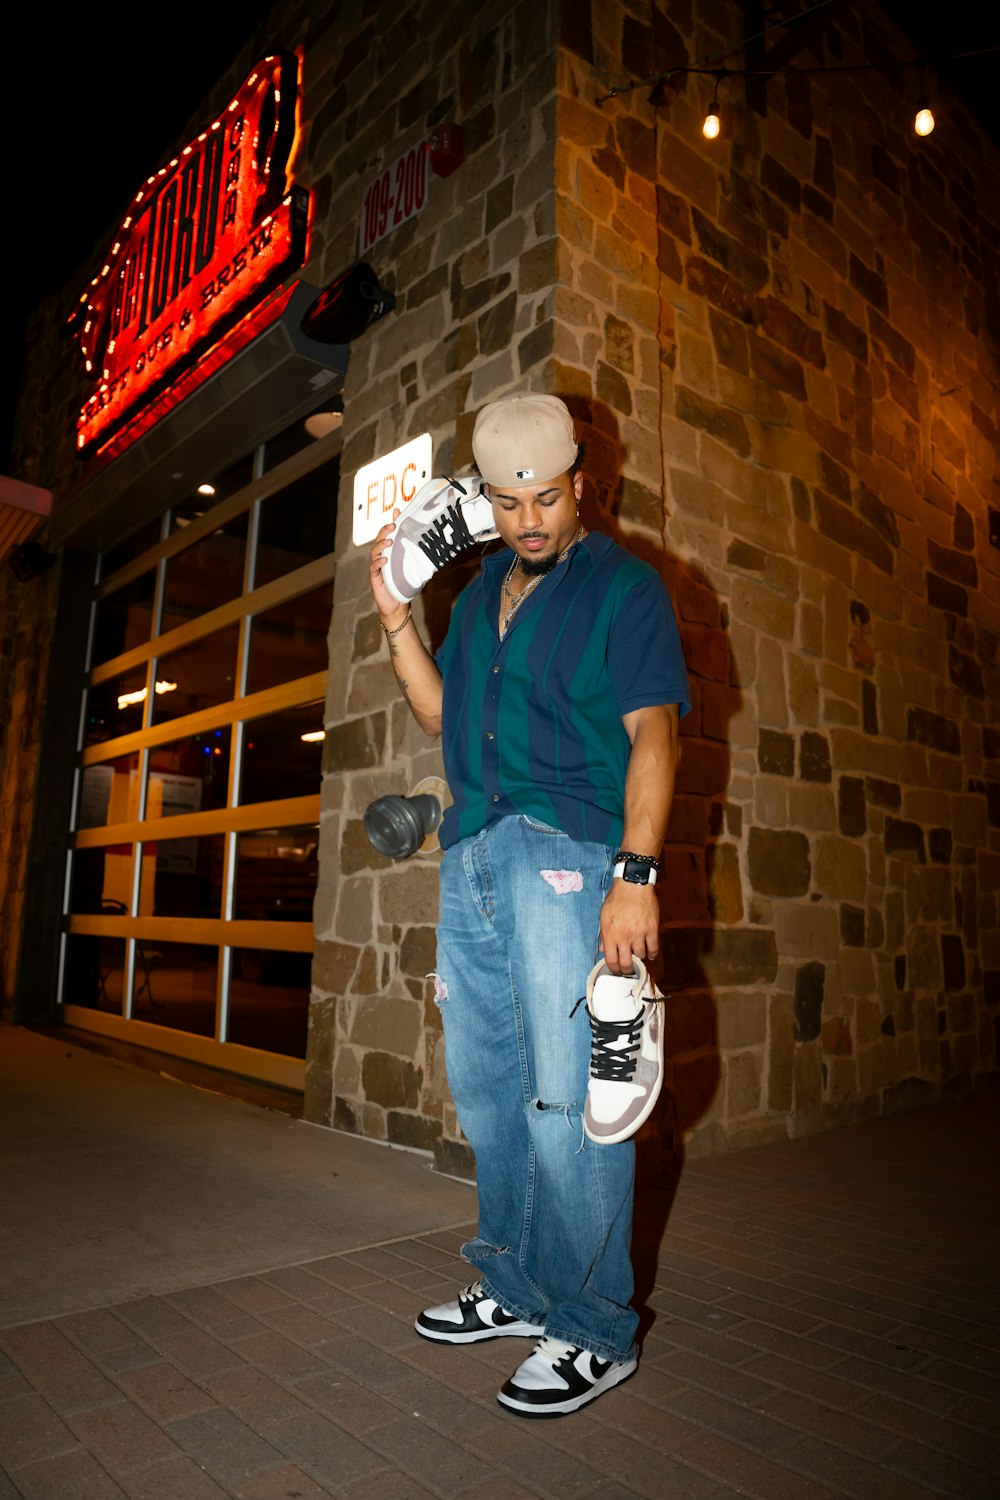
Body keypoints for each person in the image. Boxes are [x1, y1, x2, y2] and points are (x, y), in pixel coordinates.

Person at [368, 392, 690, 1417]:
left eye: (546, 498)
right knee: (493, 1095)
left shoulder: (624, 589)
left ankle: (594, 1325)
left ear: (579, 484)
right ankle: (512, 1284)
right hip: (471, 859)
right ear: (487, 505)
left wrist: (634, 875)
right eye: (508, 506)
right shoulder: (474, 602)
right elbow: (435, 710)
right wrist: (394, 620)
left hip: (569, 859)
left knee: (572, 1109)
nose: (530, 522)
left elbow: (654, 737)